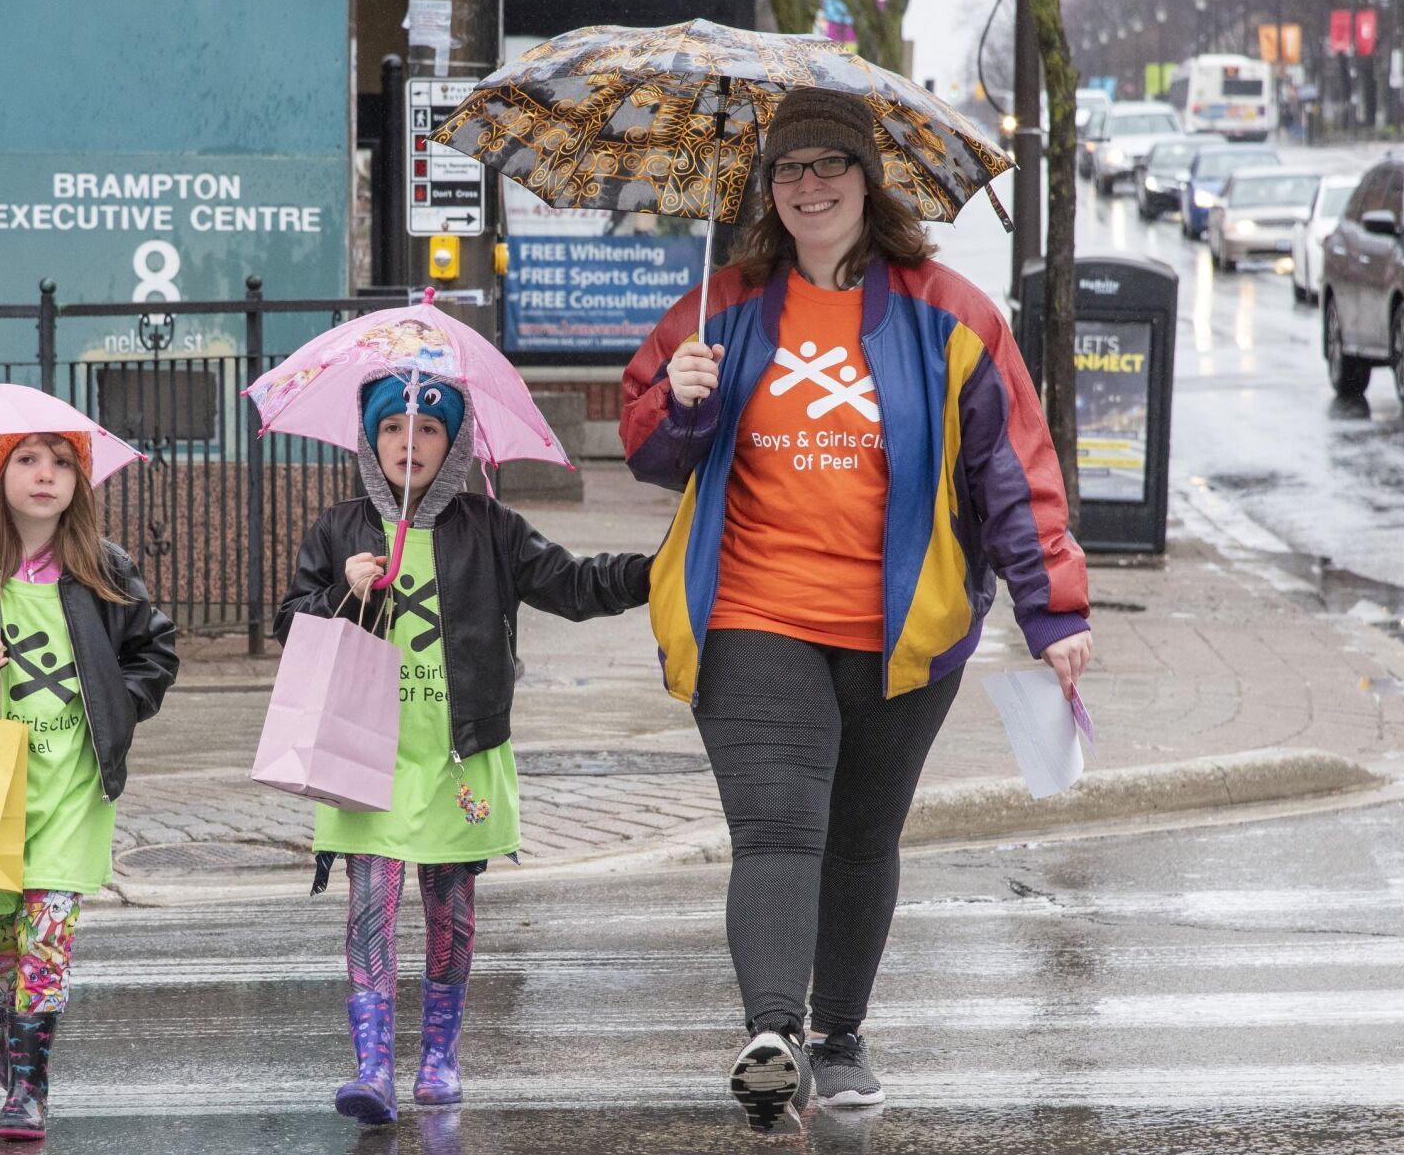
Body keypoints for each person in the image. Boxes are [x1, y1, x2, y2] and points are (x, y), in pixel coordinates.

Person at [620, 88, 1092, 1131]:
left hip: (900, 626)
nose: (809, 185)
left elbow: (1012, 469)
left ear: (866, 181)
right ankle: (771, 1033)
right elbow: (651, 451)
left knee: (862, 833)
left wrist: (1053, 611)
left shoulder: (949, 313)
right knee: (778, 826)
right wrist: (678, 397)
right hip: (749, 612)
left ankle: (837, 1035)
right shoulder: (721, 308)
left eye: (829, 164)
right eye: (788, 170)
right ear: (765, 189)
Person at [277, 374, 652, 1125]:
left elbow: (574, 585)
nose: (407, 443)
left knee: (449, 910)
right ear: (368, 438)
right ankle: (374, 1067)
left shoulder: (492, 526)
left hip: (458, 755)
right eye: (390, 428)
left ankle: (440, 1056)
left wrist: (655, 571)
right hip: (366, 751)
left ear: (453, 445)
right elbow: (291, 624)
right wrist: (339, 595)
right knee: (370, 909)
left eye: (426, 429)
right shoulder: (341, 529)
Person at [0, 431, 179, 1142]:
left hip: (71, 783)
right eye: (28, 459)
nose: (46, 475)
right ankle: (2, 999)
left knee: (47, 936)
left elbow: (156, 650)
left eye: (62, 462)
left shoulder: (103, 568)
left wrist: (119, 702)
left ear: (80, 481)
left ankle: (28, 1086)